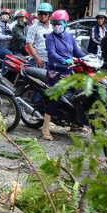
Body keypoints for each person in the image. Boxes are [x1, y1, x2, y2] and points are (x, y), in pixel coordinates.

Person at [41, 10, 87, 141]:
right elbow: (51, 54)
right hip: (55, 72)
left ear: (66, 23)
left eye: (59, 24)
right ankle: (45, 127)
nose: (56, 26)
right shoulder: (50, 37)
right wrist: (63, 60)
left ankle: (75, 123)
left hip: (69, 72)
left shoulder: (70, 37)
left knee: (78, 96)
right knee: (56, 97)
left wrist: (89, 58)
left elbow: (78, 52)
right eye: (54, 24)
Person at [25, 2, 54, 69]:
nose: (42, 16)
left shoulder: (52, 27)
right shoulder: (33, 27)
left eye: (45, 14)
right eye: (40, 13)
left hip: (51, 59)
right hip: (37, 60)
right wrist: (37, 58)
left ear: (49, 15)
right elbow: (29, 45)